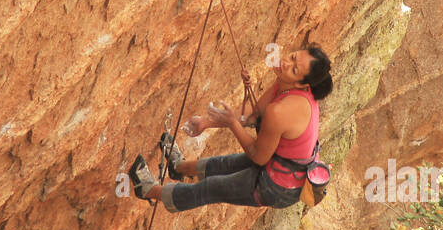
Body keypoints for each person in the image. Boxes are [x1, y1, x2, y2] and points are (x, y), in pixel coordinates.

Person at [128, 45, 332, 212]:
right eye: (293, 56)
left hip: (279, 186)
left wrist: (232, 124)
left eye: (294, 69)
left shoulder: (281, 111)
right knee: (222, 164)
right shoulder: (285, 83)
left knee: (210, 188)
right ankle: (178, 167)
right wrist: (206, 123)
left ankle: (147, 189)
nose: (286, 63)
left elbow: (258, 156)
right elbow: (252, 114)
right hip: (279, 161)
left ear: (303, 84)